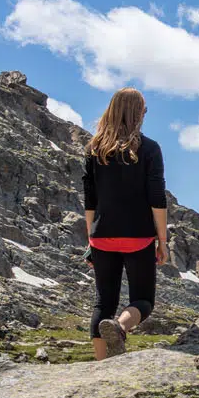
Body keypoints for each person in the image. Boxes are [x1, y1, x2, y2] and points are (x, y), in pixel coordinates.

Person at [82, 88, 168, 360]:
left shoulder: (94, 149)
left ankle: (100, 365)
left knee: (103, 301)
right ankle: (119, 327)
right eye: (143, 109)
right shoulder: (150, 148)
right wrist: (162, 241)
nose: (145, 114)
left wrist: (91, 241)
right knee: (144, 300)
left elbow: (90, 202)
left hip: (101, 236)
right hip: (138, 236)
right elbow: (157, 199)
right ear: (137, 113)